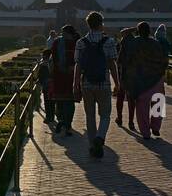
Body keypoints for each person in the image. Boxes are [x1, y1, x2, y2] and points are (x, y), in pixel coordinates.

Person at [74, 11, 119, 158]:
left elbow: (78, 66)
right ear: (101, 24)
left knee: (90, 116)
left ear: (88, 24)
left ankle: (93, 145)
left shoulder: (81, 43)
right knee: (105, 115)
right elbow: (112, 64)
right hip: (103, 83)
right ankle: (100, 137)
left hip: (86, 83)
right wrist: (117, 83)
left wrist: (76, 85)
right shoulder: (109, 42)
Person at [123, 21, 169, 140]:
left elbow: (123, 35)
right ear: (150, 31)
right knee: (158, 104)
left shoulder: (133, 43)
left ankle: (145, 132)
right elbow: (164, 61)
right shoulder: (156, 44)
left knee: (142, 108)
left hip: (140, 81)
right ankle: (156, 127)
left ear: (138, 31)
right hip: (156, 79)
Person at [48, 25, 81, 136]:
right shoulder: (77, 42)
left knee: (62, 101)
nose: (63, 35)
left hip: (61, 76)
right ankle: (66, 124)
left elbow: (54, 59)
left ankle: (63, 121)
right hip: (68, 76)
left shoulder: (58, 42)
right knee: (68, 102)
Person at [113, 27, 136, 128]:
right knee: (131, 100)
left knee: (120, 97)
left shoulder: (123, 45)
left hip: (123, 75)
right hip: (133, 76)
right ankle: (131, 121)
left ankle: (120, 118)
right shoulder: (135, 44)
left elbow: (118, 61)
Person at [39, 31, 57, 125]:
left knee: (47, 101)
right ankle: (51, 116)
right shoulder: (54, 63)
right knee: (52, 101)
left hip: (46, 86)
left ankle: (49, 116)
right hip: (52, 85)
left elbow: (40, 76)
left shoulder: (43, 65)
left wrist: (41, 82)